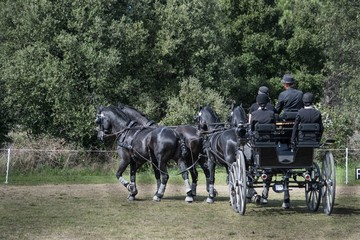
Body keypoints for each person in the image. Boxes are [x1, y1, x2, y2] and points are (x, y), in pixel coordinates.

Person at [247, 93, 275, 204]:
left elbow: (251, 129)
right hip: (269, 145)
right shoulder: (271, 114)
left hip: (257, 145)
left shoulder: (254, 114)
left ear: (257, 103)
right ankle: (265, 194)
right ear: (267, 103)